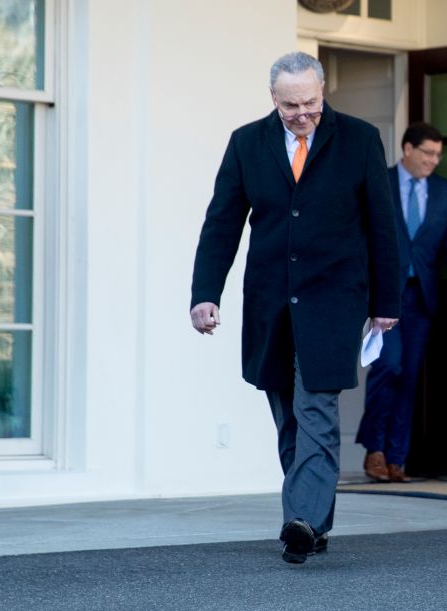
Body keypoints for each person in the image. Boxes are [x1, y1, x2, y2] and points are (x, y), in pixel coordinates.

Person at [189, 52, 400, 565]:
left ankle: (301, 520)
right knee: (287, 415)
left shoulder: (359, 139)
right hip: (270, 302)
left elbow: (382, 224)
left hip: (334, 301)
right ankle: (312, 520)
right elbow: (222, 222)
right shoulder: (246, 143)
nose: (302, 114)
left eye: (310, 103)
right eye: (290, 106)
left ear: (322, 92)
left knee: (317, 408)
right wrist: (204, 294)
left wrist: (386, 301)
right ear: (273, 99)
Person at [356, 122, 447, 483]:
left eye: (438, 155)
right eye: (427, 153)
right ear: (407, 149)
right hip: (383, 294)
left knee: (407, 376)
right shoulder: (380, 182)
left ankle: (396, 458)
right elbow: (362, 234)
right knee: (388, 366)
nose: (433, 161)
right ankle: (374, 449)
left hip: (421, 297)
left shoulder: (445, 193)